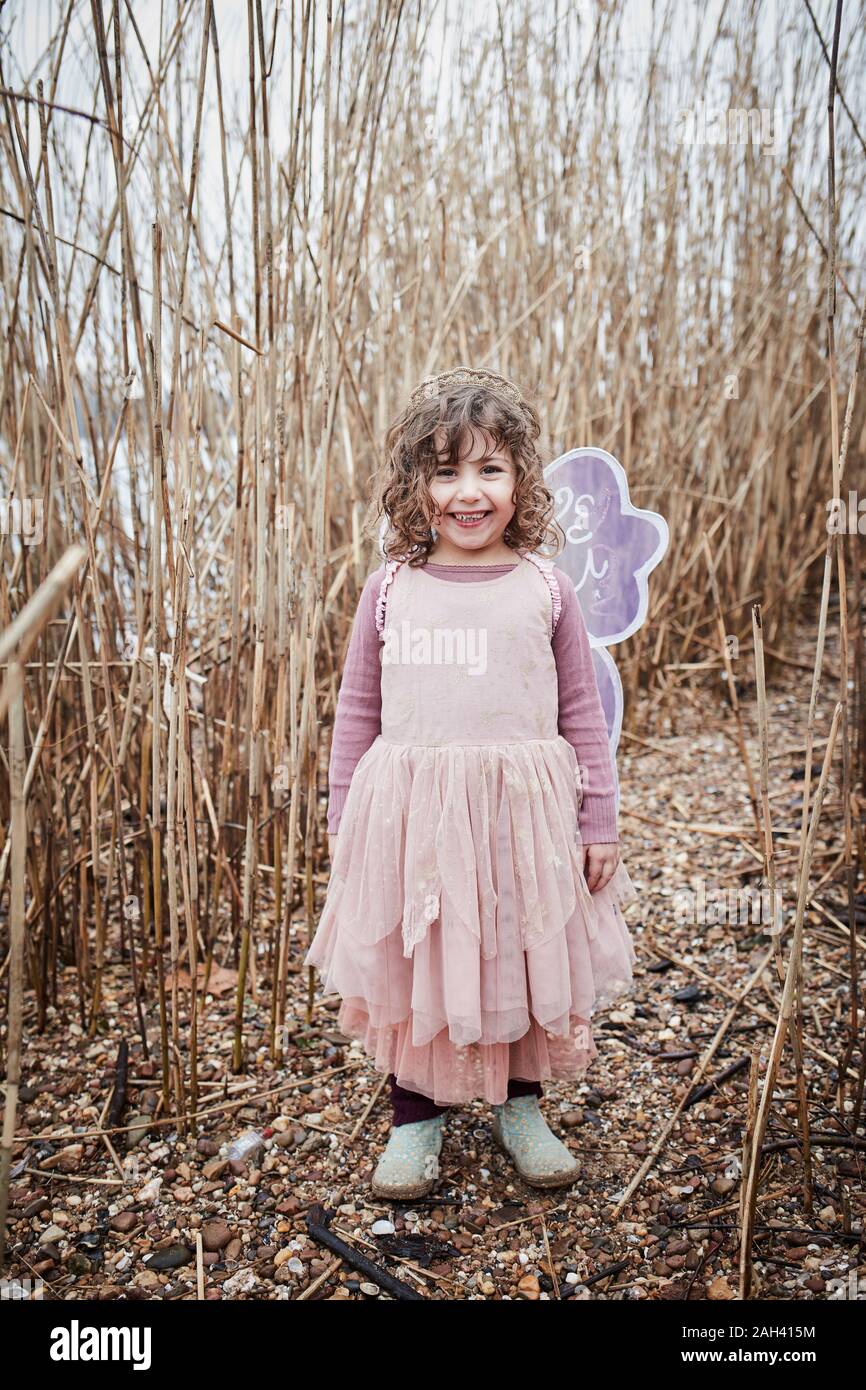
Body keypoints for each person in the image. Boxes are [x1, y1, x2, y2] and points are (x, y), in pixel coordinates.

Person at [304, 365, 637, 1200]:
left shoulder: (545, 589)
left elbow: (580, 713)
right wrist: (343, 815)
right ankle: (414, 1118)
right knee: (424, 963)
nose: (468, 492)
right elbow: (357, 708)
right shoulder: (390, 592)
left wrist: (599, 818)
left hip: (519, 818)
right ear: (415, 488)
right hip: (416, 819)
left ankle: (521, 1107)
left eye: (489, 469)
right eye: (446, 471)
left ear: (521, 480)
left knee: (519, 954)